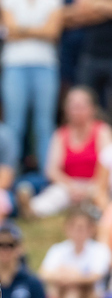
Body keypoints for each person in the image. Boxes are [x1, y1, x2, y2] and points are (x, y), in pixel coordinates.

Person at [0, 0, 64, 170]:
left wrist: (22, 29)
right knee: (14, 123)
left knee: (44, 123)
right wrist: (38, 29)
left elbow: (53, 31)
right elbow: (9, 29)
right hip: (15, 64)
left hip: (45, 64)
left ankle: (48, 172)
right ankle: (10, 170)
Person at [29, 85, 111, 217]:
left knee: (102, 192)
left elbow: (108, 166)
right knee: (55, 195)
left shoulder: (102, 131)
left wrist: (89, 188)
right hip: (69, 186)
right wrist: (72, 187)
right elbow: (52, 170)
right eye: (73, 107)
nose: (76, 111)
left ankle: (97, 211)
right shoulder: (60, 135)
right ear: (66, 109)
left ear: (92, 109)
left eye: (81, 107)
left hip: (96, 184)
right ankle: (32, 209)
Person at [39, 207, 112, 298]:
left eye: (83, 228)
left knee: (74, 290)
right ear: (68, 228)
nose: (79, 232)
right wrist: (70, 277)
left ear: (91, 229)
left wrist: (69, 276)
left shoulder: (100, 250)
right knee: (59, 290)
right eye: (76, 227)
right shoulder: (58, 249)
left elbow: (95, 276)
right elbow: (43, 273)